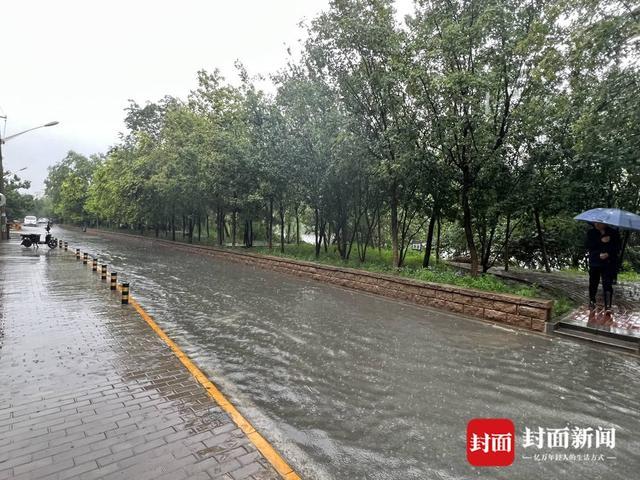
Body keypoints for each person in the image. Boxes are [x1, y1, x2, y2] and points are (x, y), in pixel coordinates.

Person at [586, 222, 621, 319]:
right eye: (595, 222)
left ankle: (608, 306)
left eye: (599, 222)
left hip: (608, 263)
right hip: (594, 262)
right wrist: (601, 241)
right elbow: (589, 246)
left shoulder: (613, 233)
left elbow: (618, 248)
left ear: (605, 223)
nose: (596, 224)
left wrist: (608, 253)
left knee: (607, 284)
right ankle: (592, 301)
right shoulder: (591, 232)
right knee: (593, 282)